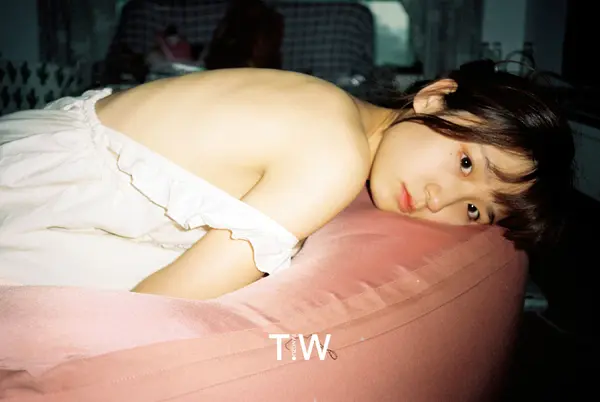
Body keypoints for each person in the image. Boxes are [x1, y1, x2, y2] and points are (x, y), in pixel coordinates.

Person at [0, 60, 574, 299]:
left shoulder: (341, 111)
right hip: (34, 189)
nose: (436, 199)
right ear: (434, 97)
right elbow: (161, 306)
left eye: (474, 211)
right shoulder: (334, 153)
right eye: (467, 163)